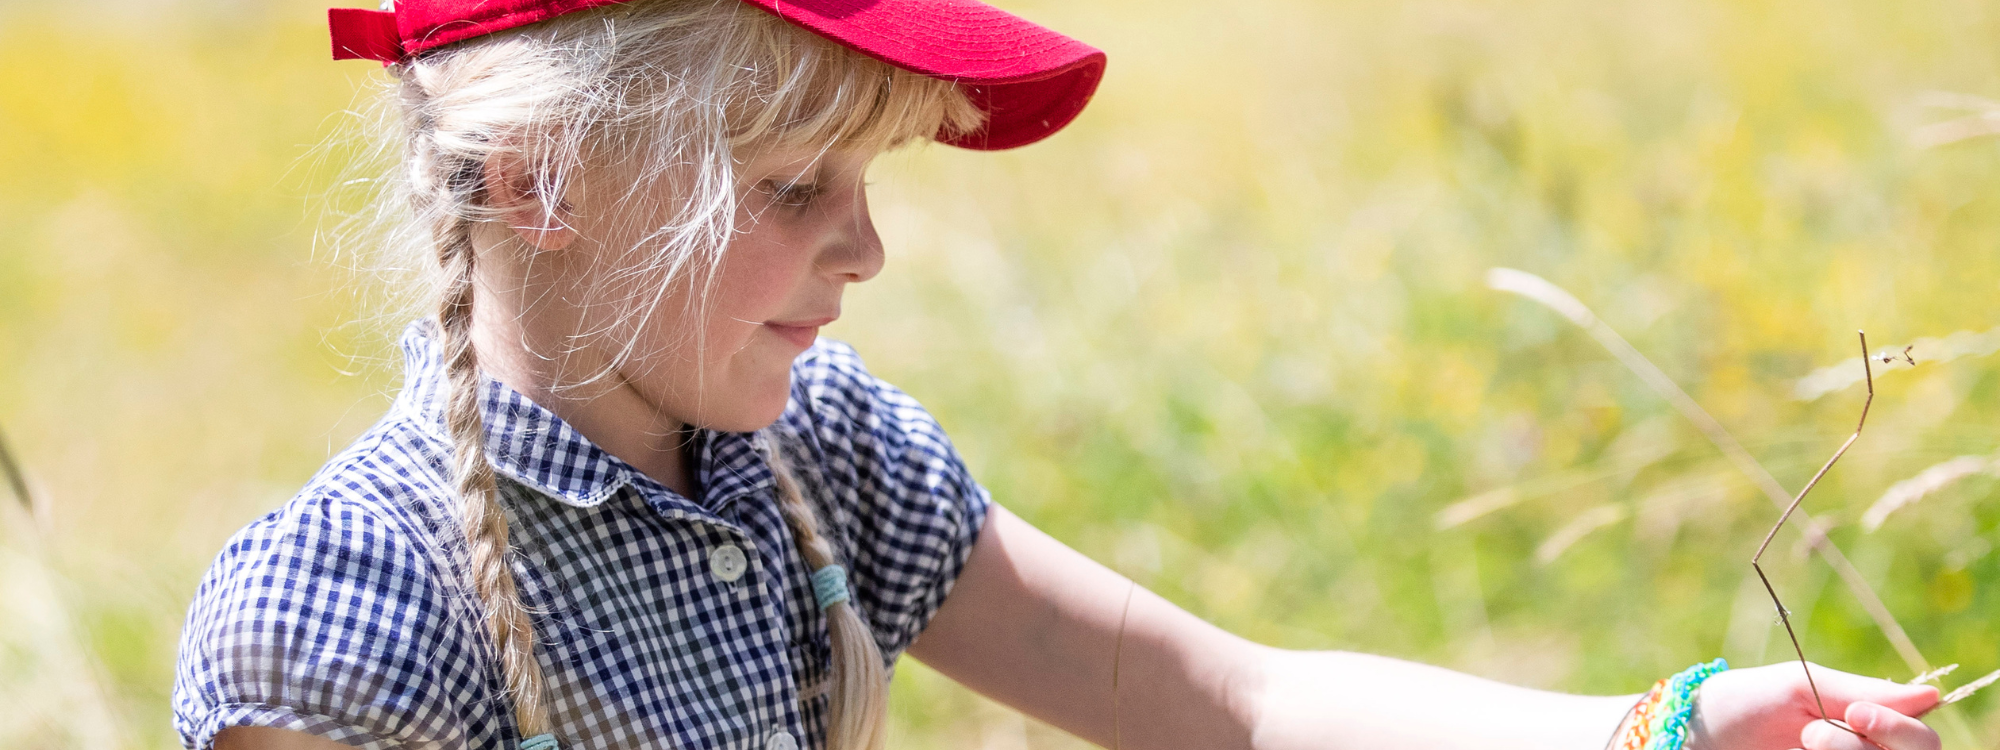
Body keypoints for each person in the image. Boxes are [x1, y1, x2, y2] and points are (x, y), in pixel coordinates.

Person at [171, 1, 1946, 748]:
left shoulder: (808, 458)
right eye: (797, 190)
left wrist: (1650, 722)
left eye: (872, 185)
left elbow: (1232, 701)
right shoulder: (347, 620)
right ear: (545, 182)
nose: (867, 252)